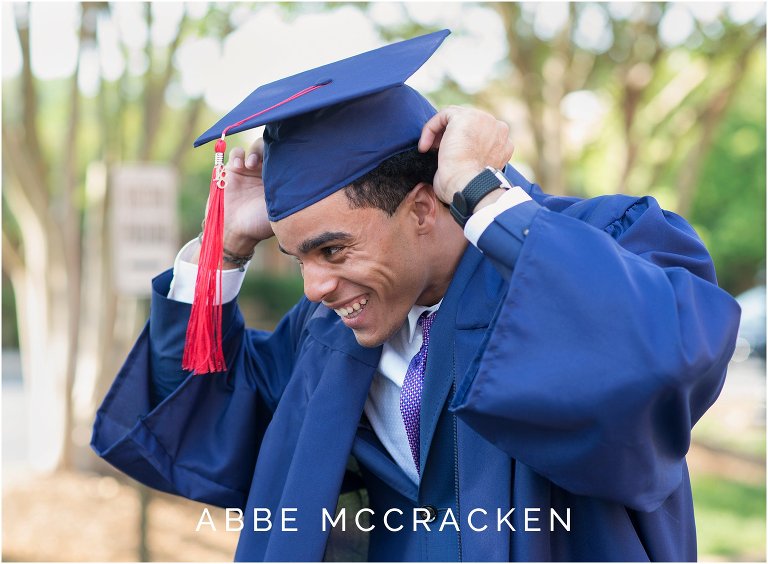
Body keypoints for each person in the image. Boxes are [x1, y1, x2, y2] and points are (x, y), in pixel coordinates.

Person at [92, 30, 740, 561]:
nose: (315, 286)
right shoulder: (324, 331)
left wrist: (487, 200)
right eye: (297, 258)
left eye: (333, 250)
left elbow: (659, 360)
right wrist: (223, 251)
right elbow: (204, 427)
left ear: (425, 206)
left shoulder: (606, 240)